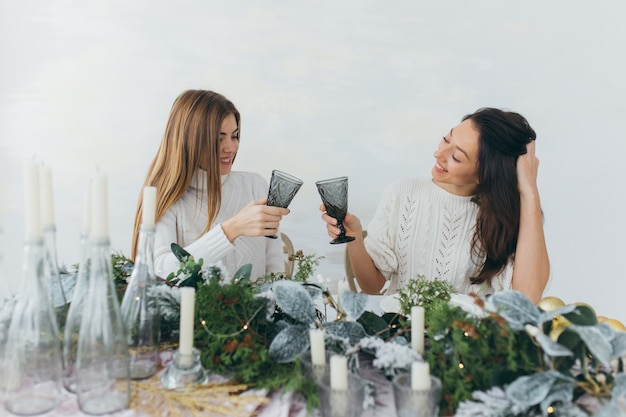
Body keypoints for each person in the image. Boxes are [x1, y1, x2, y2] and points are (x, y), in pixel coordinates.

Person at [321, 107, 549, 303]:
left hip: (468, 347)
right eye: (446, 139)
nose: (438, 154)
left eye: (456, 157)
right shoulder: (403, 193)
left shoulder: (506, 217)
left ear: (484, 174)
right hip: (400, 339)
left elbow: (527, 298)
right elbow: (371, 286)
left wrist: (529, 191)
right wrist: (355, 238)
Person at [131, 89, 289, 281]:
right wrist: (231, 230)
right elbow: (161, 271)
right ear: (190, 141)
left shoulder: (255, 186)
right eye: (218, 139)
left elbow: (274, 268)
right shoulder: (167, 199)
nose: (230, 147)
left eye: (234, 136)